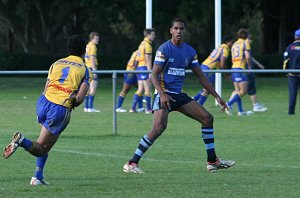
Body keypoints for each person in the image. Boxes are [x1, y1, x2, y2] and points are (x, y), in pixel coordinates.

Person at [123, 18, 235, 174]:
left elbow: (201, 76)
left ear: (184, 30)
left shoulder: (189, 51)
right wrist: (161, 94)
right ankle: (131, 163)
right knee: (158, 128)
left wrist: (217, 96)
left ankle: (212, 161)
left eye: (181, 28)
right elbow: (154, 75)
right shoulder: (164, 49)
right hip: (164, 94)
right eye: (175, 28)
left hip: (178, 95)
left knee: (207, 118)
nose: (178, 31)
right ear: (171, 30)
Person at [2, 35, 92, 185]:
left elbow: (46, 87)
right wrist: (73, 101)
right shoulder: (84, 69)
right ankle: (21, 140)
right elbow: (80, 99)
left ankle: (37, 177)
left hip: (43, 102)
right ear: (84, 51)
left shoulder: (56, 63)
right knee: (41, 148)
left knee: (43, 142)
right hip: (60, 107)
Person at [193, 36, 234, 105]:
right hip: (208, 68)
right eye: (232, 42)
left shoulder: (220, 47)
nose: (232, 44)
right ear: (227, 42)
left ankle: (194, 100)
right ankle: (199, 105)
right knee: (208, 88)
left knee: (208, 88)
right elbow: (223, 61)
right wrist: (225, 74)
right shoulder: (225, 49)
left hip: (205, 66)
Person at [225, 28, 252, 116]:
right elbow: (247, 56)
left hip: (234, 68)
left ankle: (240, 111)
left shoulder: (234, 44)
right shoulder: (245, 43)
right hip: (240, 69)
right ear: (246, 36)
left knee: (238, 91)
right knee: (243, 91)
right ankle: (228, 104)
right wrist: (250, 67)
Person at [129, 28, 155, 114]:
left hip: (139, 68)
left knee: (140, 89)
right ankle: (148, 109)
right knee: (147, 89)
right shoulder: (147, 45)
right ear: (147, 35)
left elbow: (137, 58)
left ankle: (132, 108)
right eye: (152, 35)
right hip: (144, 68)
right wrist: (150, 71)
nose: (154, 36)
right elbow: (148, 59)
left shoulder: (141, 44)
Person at [246, 35, 267, 112]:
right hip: (247, 70)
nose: (251, 40)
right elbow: (248, 57)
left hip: (245, 70)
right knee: (248, 89)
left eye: (251, 39)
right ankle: (255, 106)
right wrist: (249, 67)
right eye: (249, 39)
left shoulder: (244, 46)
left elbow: (250, 57)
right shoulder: (245, 46)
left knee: (241, 90)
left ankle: (255, 104)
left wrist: (258, 64)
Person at [283, 29, 300, 115]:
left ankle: (291, 112)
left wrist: (286, 71)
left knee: (293, 94)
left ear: (295, 36)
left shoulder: (289, 47)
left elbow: (286, 60)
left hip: (292, 75)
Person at [84, 32, 100, 112]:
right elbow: (92, 58)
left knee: (87, 88)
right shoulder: (93, 46)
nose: (98, 40)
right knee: (93, 88)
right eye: (96, 39)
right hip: (91, 68)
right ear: (92, 38)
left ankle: (86, 107)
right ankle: (90, 107)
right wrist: (94, 70)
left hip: (86, 67)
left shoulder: (87, 45)